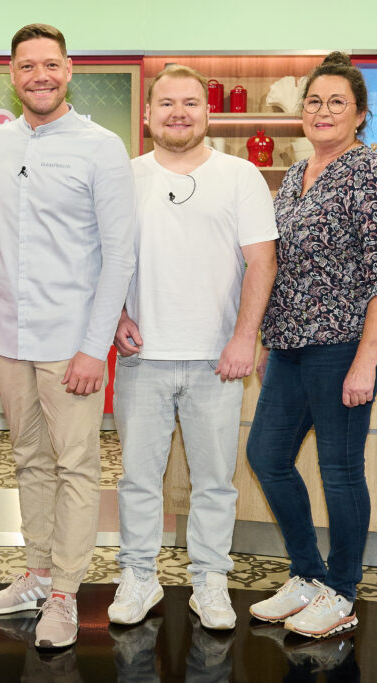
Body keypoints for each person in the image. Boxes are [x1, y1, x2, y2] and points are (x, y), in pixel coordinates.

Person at [0, 23, 136, 649]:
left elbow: (119, 255)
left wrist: (95, 346)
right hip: (9, 336)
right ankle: (36, 574)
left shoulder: (101, 147)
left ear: (69, 70)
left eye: (50, 64)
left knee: (76, 466)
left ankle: (67, 594)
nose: (38, 76)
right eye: (26, 66)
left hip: (73, 342)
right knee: (29, 461)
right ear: (12, 75)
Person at [107, 66, 278, 630]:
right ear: (149, 113)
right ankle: (139, 576)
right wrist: (117, 317)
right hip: (142, 357)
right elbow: (104, 260)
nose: (178, 112)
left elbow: (261, 261)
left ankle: (210, 581)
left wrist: (243, 337)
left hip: (217, 360)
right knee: (136, 479)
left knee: (214, 482)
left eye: (190, 103)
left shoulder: (241, 176)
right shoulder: (123, 176)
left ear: (208, 113)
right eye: (166, 103)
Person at [245, 52, 377, 638]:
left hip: (344, 345)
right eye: (314, 101)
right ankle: (307, 574)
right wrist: (270, 338)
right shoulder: (295, 173)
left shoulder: (371, 174)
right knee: (266, 456)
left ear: (360, 115)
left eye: (337, 102)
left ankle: (342, 588)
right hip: (291, 344)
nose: (322, 110)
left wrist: (367, 359)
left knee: (339, 470)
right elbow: (282, 266)